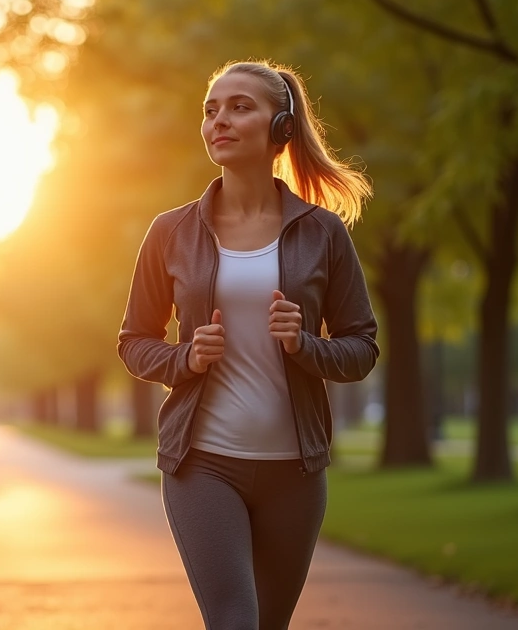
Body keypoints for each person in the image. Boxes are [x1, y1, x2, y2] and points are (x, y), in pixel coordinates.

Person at [116, 59, 379, 629]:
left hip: (296, 472)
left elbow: (362, 348)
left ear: (280, 129)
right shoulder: (171, 233)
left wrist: (305, 345)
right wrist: (185, 357)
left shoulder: (322, 232)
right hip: (203, 463)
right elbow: (135, 341)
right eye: (211, 110)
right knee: (235, 621)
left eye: (240, 107)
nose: (220, 121)